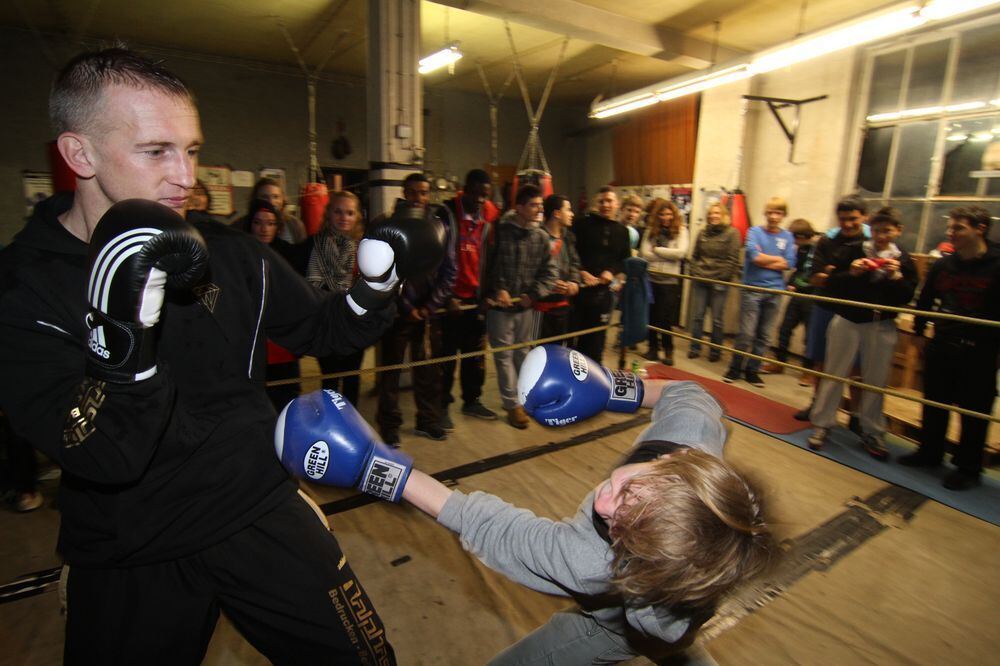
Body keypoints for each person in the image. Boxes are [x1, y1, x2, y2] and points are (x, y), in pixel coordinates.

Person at [0, 47, 440, 664]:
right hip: (132, 547)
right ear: (80, 155)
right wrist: (123, 328)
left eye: (193, 149)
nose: (186, 176)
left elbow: (324, 333)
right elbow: (100, 451)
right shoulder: (25, 289)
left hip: (257, 509)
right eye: (157, 152)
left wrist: (376, 286)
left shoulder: (228, 253)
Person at [276, 345, 774, 664]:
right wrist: (612, 388)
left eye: (624, 527)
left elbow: (489, 525)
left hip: (626, 621)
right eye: (631, 488)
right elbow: (693, 393)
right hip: (676, 586)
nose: (605, 503)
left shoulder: (590, 562)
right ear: (676, 463)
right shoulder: (692, 439)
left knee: (659, 635)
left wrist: (376, 471)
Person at [807, 207, 917, 459]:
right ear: (870, 228)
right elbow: (832, 283)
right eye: (877, 230)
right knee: (834, 373)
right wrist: (852, 273)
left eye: (887, 231)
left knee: (876, 380)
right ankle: (822, 424)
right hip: (847, 319)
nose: (881, 236)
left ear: (897, 231)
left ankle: (873, 430)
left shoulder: (904, 259)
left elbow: (908, 295)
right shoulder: (854, 251)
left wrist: (896, 277)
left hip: (881, 324)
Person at [903, 206, 999, 490]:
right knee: (935, 401)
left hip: (981, 348)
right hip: (943, 342)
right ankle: (929, 451)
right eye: (950, 227)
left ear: (979, 228)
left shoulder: (997, 263)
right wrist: (919, 331)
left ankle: (968, 467)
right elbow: (926, 298)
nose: (950, 233)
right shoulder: (945, 264)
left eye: (958, 228)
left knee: (974, 409)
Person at [376, 173, 457, 444]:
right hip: (397, 312)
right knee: (391, 372)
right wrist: (406, 305)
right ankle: (389, 425)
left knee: (429, 371)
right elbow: (384, 270)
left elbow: (449, 269)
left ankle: (428, 420)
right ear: (404, 193)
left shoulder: (438, 225)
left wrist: (430, 306)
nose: (418, 198)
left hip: (428, 313)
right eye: (412, 192)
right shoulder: (388, 225)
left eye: (423, 192)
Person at [481, 184, 558, 429]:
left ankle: (524, 397)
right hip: (500, 307)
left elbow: (550, 272)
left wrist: (533, 293)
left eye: (540, 205)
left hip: (525, 307)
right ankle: (512, 404)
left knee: (522, 354)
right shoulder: (499, 230)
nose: (539, 210)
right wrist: (497, 289)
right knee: (503, 356)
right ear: (520, 207)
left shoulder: (541, 236)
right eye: (534, 205)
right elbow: (488, 266)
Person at [794, 195, 871, 425]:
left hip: (858, 312)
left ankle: (856, 415)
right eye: (843, 218)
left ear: (864, 217)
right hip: (826, 306)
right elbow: (816, 278)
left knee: (858, 366)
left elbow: (869, 279)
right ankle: (819, 404)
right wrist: (848, 275)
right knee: (821, 360)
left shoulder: (872, 242)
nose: (848, 224)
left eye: (853, 219)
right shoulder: (827, 241)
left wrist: (833, 273)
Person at [440, 169, 501, 426]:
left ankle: (471, 401)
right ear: (464, 189)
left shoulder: (487, 223)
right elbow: (433, 260)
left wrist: (489, 294)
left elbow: (494, 263)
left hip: (475, 301)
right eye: (474, 193)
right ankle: (441, 405)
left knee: (474, 357)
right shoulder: (445, 215)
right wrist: (444, 297)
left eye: (483, 196)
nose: (478, 199)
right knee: (445, 358)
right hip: (449, 304)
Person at [240, 198, 308, 410]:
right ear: (250, 224)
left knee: (286, 396)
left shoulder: (289, 254)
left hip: (282, 337)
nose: (264, 229)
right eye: (258, 222)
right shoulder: (239, 253)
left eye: (270, 223)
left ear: (278, 227)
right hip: (252, 334)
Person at [723, 197, 797, 387]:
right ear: (765, 213)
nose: (773, 217)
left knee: (764, 335)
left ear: (783, 215)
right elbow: (755, 258)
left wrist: (769, 260)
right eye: (770, 212)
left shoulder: (787, 237)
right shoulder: (754, 232)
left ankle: (752, 370)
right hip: (753, 289)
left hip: (775, 291)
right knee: (746, 333)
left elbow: (789, 262)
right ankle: (735, 367)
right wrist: (776, 261)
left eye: (778, 213)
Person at [307, 190, 366, 406]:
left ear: (357, 217)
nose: (344, 217)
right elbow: (312, 287)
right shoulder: (315, 245)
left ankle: (352, 426)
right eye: (338, 212)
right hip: (326, 324)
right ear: (328, 214)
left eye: (350, 213)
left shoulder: (362, 248)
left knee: (352, 378)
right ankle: (330, 426)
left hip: (353, 325)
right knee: (330, 381)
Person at [572, 187, 631, 363]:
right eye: (601, 201)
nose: (605, 205)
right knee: (574, 336)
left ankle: (594, 377)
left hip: (604, 293)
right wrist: (581, 271)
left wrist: (611, 272)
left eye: (609, 201)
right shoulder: (582, 224)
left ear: (617, 204)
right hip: (579, 290)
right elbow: (570, 252)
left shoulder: (623, 231)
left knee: (597, 340)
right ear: (595, 204)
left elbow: (624, 260)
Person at [762, 218, 818, 384]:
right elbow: (798, 270)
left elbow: (817, 273)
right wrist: (791, 283)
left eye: (794, 238)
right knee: (785, 328)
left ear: (801, 236)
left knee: (810, 336)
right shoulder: (801, 250)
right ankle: (779, 362)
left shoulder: (820, 248)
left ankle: (809, 371)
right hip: (798, 294)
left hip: (812, 296)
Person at [687, 201, 741, 361]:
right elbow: (695, 256)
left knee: (717, 319)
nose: (713, 216)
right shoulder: (702, 233)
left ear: (724, 215)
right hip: (701, 279)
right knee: (697, 316)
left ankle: (715, 351)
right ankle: (695, 347)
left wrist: (721, 278)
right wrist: (696, 272)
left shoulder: (733, 233)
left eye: (717, 213)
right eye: (711, 213)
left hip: (719, 281)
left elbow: (733, 260)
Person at [639, 198, 689, 365]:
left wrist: (658, 250)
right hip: (651, 278)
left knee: (665, 319)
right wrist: (668, 254)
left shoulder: (682, 230)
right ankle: (653, 349)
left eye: (668, 214)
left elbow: (680, 254)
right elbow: (644, 253)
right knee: (651, 316)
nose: (665, 217)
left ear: (673, 215)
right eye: (662, 214)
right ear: (657, 215)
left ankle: (669, 351)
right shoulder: (650, 230)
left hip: (669, 281)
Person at [533, 194, 582, 343]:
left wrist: (574, 282)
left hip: (563, 306)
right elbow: (530, 269)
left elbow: (574, 263)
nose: (572, 214)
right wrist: (549, 283)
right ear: (557, 213)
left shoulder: (568, 237)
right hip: (541, 308)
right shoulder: (536, 237)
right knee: (539, 352)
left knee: (560, 351)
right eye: (568, 209)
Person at [241, 176, 308, 244]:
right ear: (255, 199)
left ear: (283, 200)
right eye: (264, 197)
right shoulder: (241, 224)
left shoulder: (295, 224)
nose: (271, 202)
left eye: (275, 197)